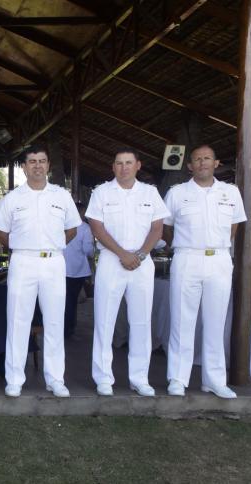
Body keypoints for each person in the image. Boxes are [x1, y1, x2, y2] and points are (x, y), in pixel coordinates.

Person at [0, 144, 80, 398]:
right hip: (23, 261)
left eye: (42, 161)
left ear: (48, 166)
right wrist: (23, 247)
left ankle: (55, 379)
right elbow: (1, 234)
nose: (37, 166)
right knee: (18, 321)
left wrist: (52, 245)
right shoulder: (13, 198)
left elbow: (72, 229)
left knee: (54, 322)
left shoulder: (61, 196)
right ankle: (14, 379)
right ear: (24, 167)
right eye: (32, 161)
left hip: (53, 262)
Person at [163, 144, 246, 398]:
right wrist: (186, 245)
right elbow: (166, 228)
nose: (202, 163)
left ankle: (214, 380)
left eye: (207, 158)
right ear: (190, 165)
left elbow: (234, 227)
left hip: (218, 259)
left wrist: (215, 246)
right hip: (187, 257)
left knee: (216, 322)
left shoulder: (230, 192)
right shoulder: (177, 193)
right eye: (197, 159)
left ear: (216, 163)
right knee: (181, 321)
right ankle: (178, 378)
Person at [86, 149, 169, 397]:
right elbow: (97, 228)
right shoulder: (101, 192)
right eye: (119, 163)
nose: (124, 167)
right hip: (112, 260)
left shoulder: (150, 192)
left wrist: (140, 254)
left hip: (142, 262)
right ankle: (103, 378)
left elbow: (157, 229)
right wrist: (123, 254)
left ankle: (139, 378)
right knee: (104, 320)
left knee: (141, 321)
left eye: (129, 163)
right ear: (113, 167)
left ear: (138, 165)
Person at [62, 202, 93, 339]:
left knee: (63, 300)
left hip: (60, 269)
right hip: (77, 270)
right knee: (72, 300)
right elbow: (88, 250)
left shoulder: (61, 225)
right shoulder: (85, 228)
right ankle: (69, 329)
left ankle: (63, 328)